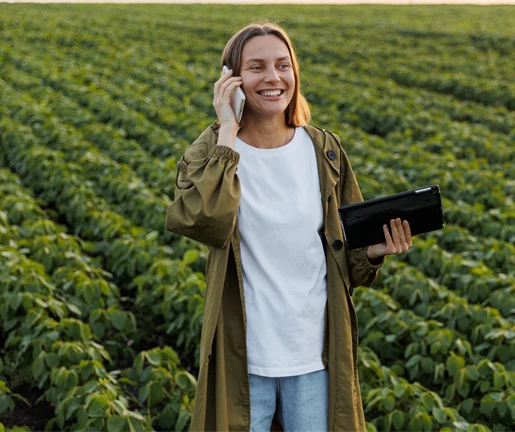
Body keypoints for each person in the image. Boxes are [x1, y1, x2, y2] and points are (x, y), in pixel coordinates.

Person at [165, 21, 414, 432]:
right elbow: (204, 222)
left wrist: (373, 251)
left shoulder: (324, 151)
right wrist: (228, 129)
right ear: (231, 78)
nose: (273, 78)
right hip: (244, 358)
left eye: (283, 65)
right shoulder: (212, 151)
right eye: (257, 66)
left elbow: (348, 256)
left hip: (314, 357)